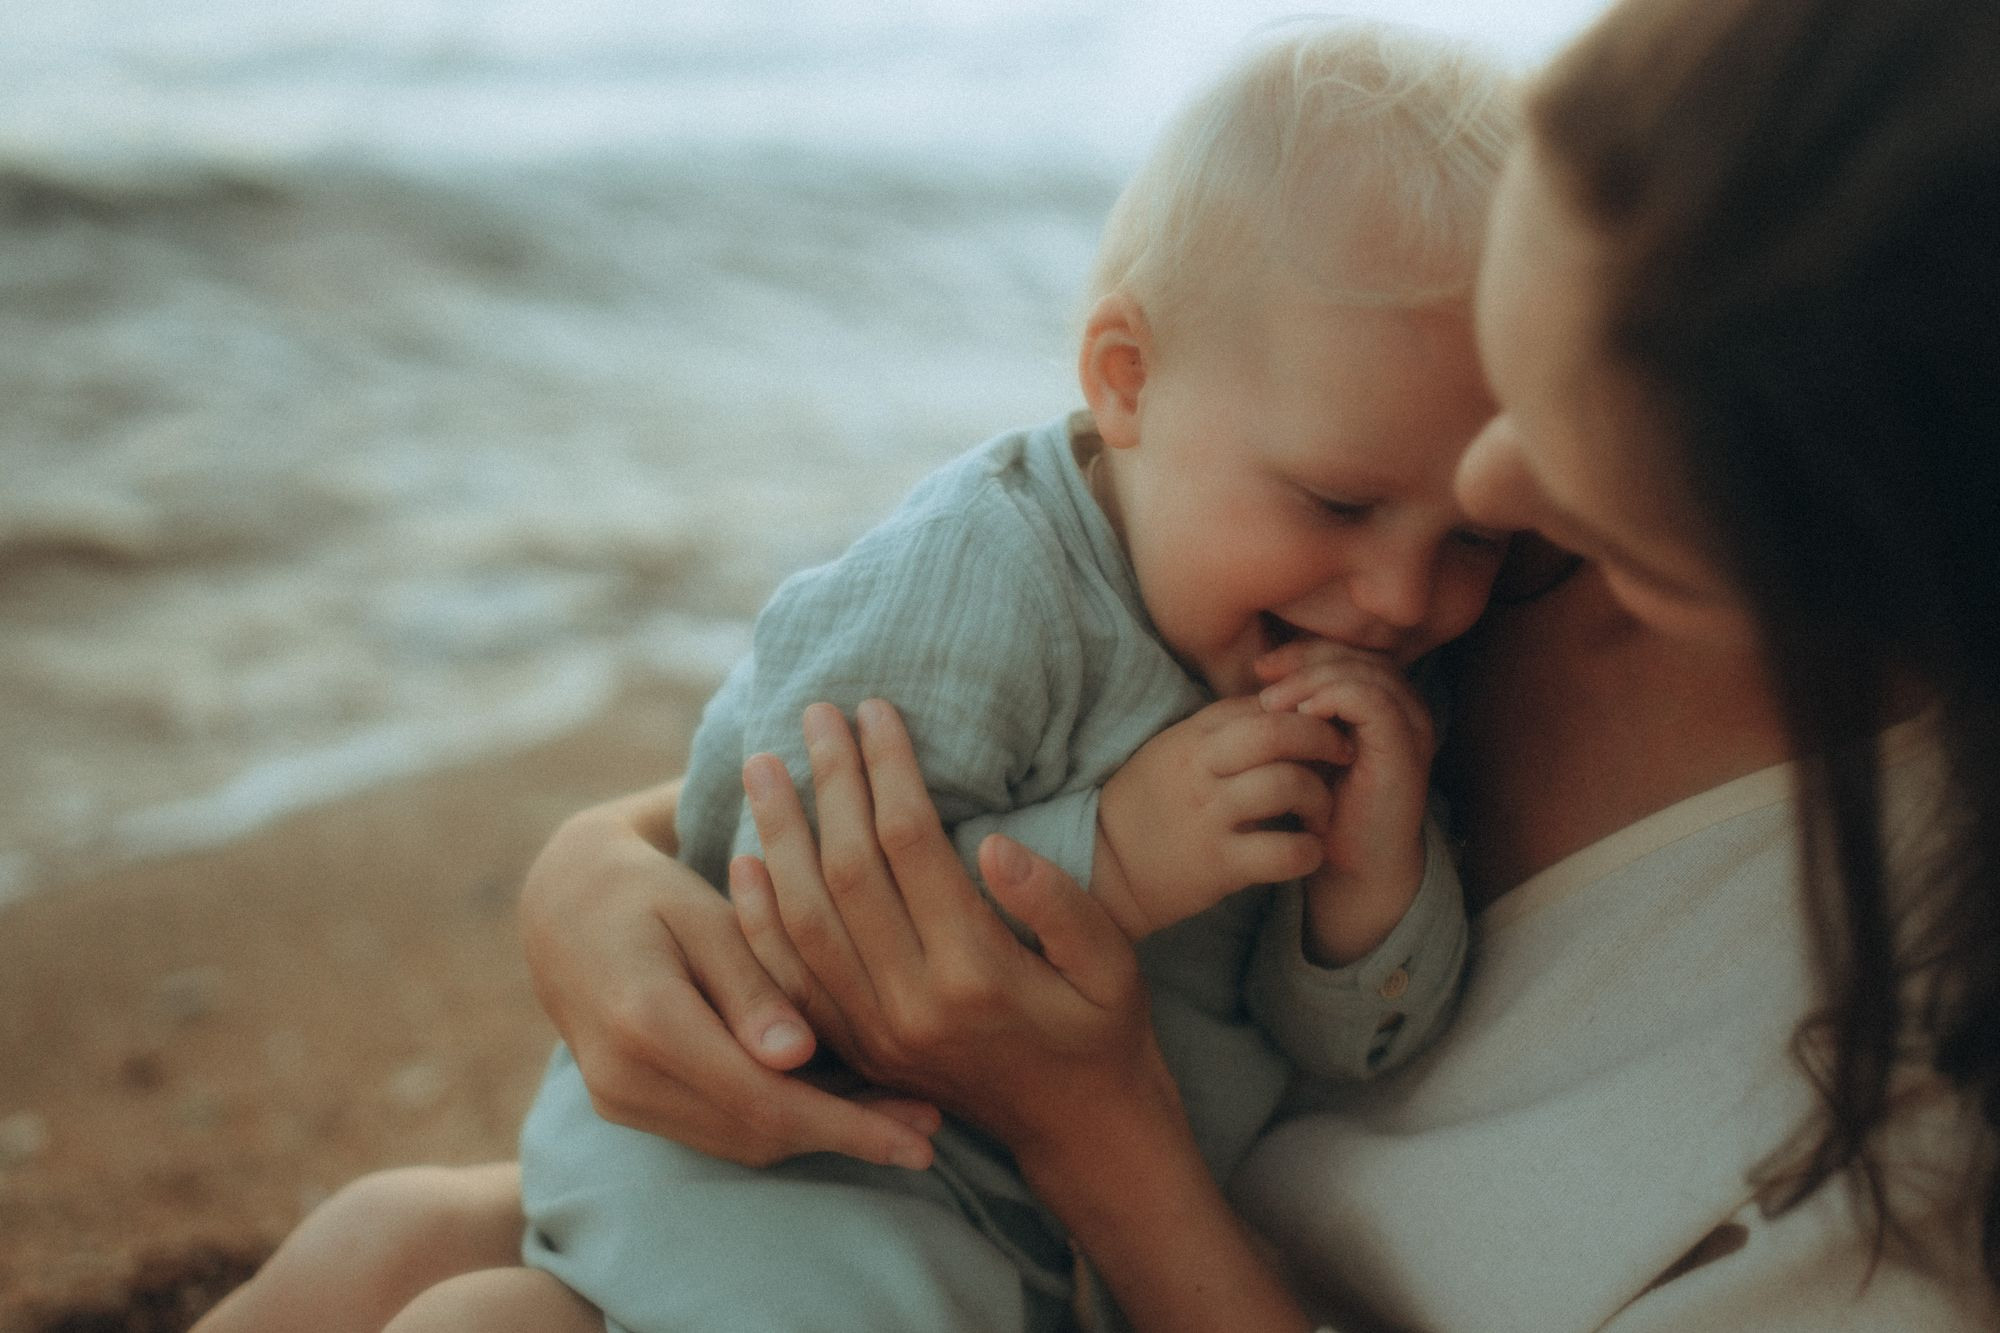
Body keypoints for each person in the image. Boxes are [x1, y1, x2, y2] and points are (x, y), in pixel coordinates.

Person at [196, 0, 2000, 1326]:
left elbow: (1339, 1016)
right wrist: (584, 876)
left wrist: (1110, 1110)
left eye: (1604, 430)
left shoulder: (1906, 1155)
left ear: (1862, 507)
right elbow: (826, 760)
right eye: (1527, 375)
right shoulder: (1436, 550)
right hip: (912, 1195)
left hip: (1080, 1251)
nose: (1490, 504)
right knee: (382, 1239)